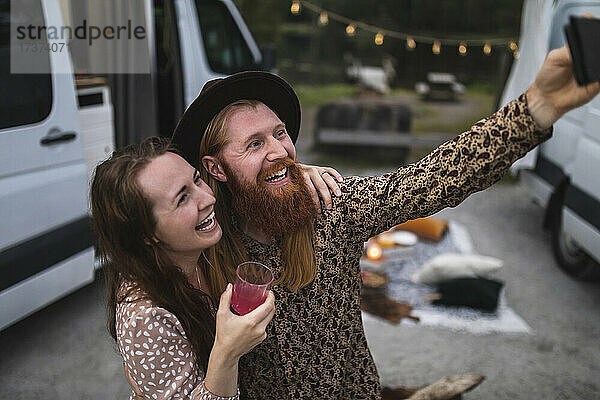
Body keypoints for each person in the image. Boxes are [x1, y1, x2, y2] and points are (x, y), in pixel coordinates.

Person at [170, 44, 600, 399]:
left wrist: (533, 111)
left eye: (280, 133)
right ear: (217, 168)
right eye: (254, 144)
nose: (279, 151)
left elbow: (435, 179)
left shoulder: (331, 209)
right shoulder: (201, 243)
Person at [89, 137, 342, 399]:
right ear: (147, 234)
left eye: (197, 180)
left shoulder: (198, 246)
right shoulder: (145, 318)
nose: (207, 199)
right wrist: (227, 352)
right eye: (182, 199)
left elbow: (245, 190)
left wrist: (295, 175)